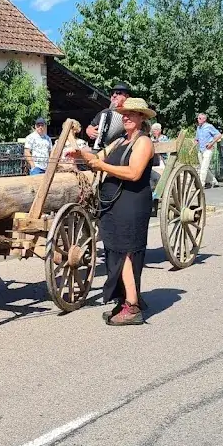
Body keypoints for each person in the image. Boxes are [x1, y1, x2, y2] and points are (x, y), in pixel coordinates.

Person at [67, 97, 157, 326]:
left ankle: (133, 307)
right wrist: (80, 155)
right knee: (115, 251)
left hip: (132, 203)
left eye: (131, 114)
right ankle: (126, 298)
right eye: (124, 114)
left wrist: (103, 166)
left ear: (142, 118)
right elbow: (97, 158)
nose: (125, 117)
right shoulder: (119, 141)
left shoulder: (144, 142)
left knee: (126, 252)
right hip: (114, 203)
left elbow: (134, 173)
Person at [195, 112, 221, 188]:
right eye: (198, 118)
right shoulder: (198, 128)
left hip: (208, 150)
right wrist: (192, 146)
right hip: (200, 150)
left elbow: (218, 135)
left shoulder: (209, 126)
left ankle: (201, 184)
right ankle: (214, 182)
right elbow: (196, 139)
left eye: (200, 118)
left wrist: (211, 143)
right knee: (204, 167)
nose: (198, 119)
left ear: (204, 119)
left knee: (203, 168)